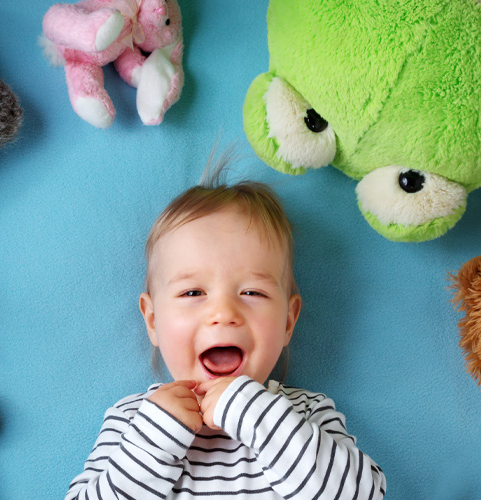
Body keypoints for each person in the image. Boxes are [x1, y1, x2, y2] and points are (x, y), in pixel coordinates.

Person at [65, 155, 386, 499]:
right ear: (153, 320)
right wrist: (155, 438)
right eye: (193, 292)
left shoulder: (305, 414)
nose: (223, 313)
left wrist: (252, 413)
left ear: (288, 321)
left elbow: (362, 495)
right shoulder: (133, 420)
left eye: (252, 292)